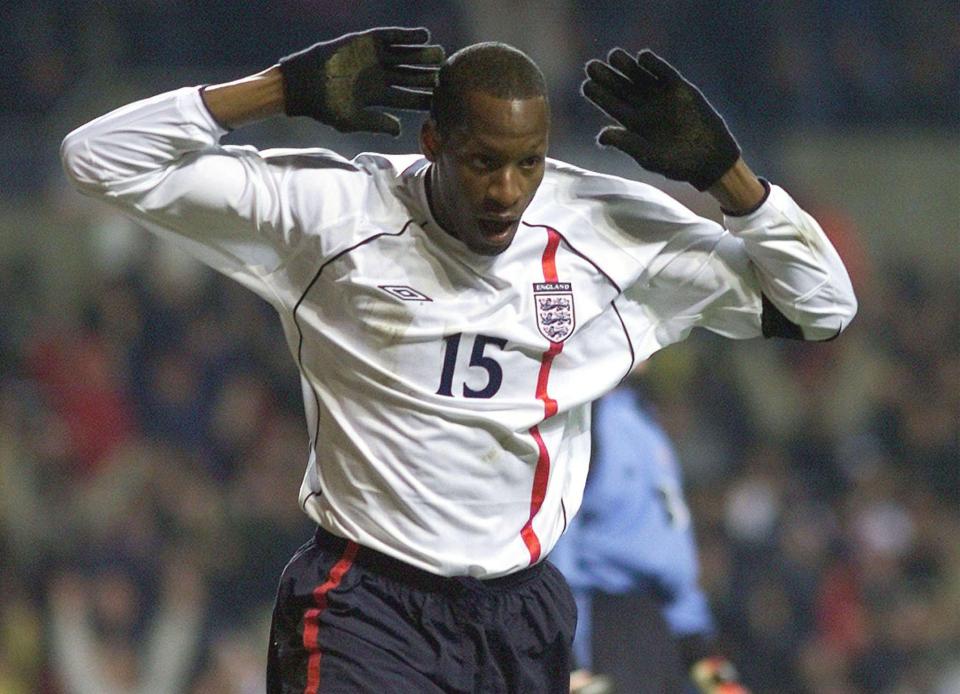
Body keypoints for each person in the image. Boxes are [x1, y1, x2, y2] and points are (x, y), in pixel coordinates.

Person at [60, 26, 857, 693]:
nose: (507, 190)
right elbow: (97, 157)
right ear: (433, 141)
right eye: (483, 161)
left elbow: (822, 307)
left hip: (525, 615)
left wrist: (733, 180)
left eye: (528, 163)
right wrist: (276, 91)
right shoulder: (333, 216)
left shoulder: (609, 232)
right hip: (365, 605)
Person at [550, 378, 747, 694]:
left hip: (656, 631)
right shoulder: (589, 416)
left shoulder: (642, 420)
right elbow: (558, 543)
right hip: (607, 625)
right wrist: (567, 658)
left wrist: (715, 673)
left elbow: (676, 577)